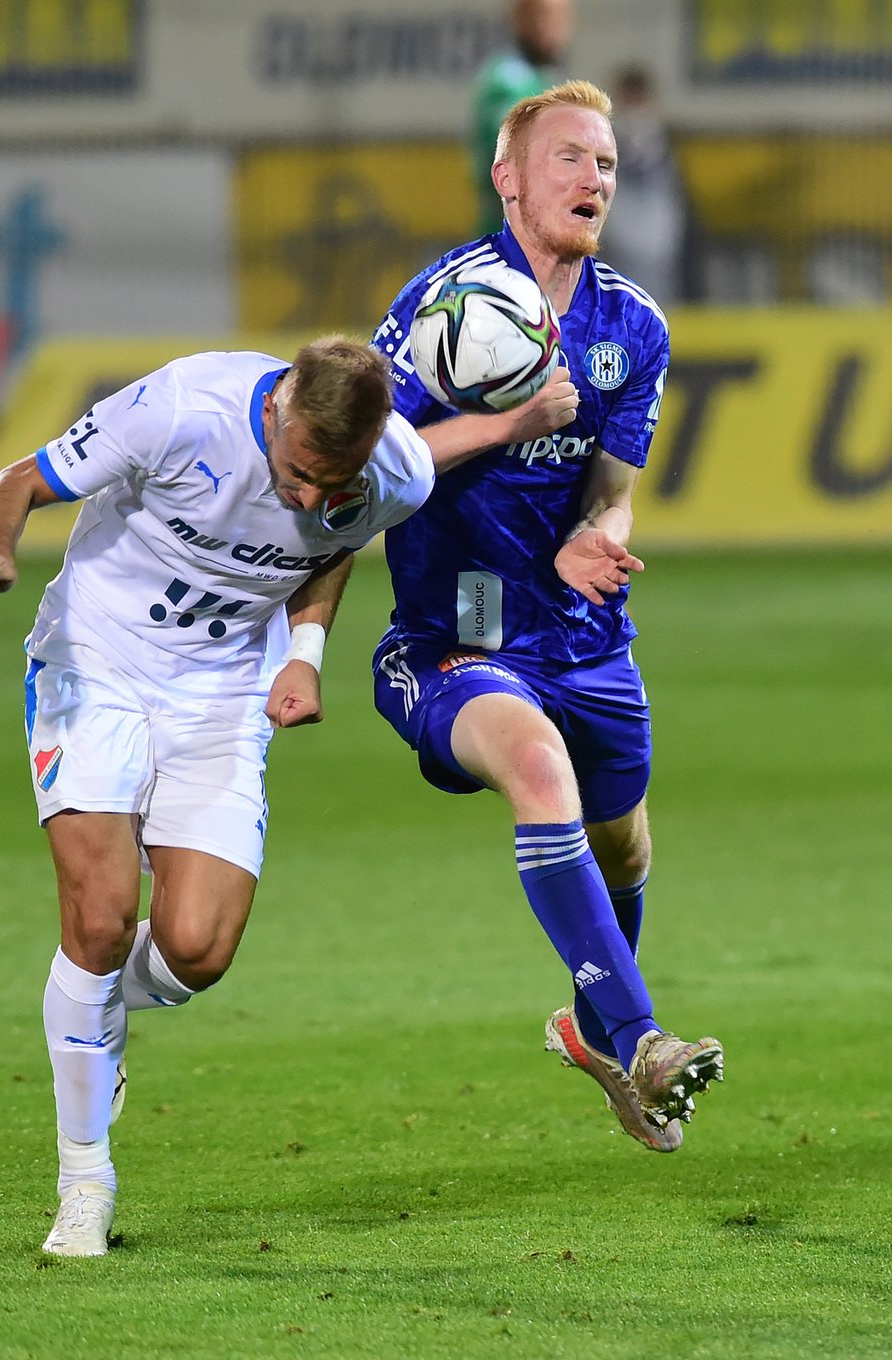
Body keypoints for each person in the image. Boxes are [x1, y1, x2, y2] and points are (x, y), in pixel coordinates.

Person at [0, 336, 563, 1257]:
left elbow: (337, 540)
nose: (315, 497)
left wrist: (303, 655)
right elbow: (19, 480)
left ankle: (91, 1013)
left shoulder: (384, 471)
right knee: (102, 915)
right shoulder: (182, 407)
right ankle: (86, 1182)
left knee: (197, 949)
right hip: (96, 661)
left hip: (223, 694)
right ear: (278, 409)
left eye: (339, 479)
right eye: (303, 473)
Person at [372, 81, 723, 1153]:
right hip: (456, 639)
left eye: (608, 164)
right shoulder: (439, 314)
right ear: (509, 177)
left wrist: (596, 529)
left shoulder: (632, 326)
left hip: (583, 636)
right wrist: (512, 421)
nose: (594, 179)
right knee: (538, 772)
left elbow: (615, 484)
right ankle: (641, 1033)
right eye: (569, 157)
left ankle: (592, 1028)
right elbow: (368, 471)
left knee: (623, 845)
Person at [469, 0, 574, 236]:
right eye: (546, 16)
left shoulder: (540, 80)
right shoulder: (510, 83)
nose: (558, 28)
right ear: (519, 18)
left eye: (564, 17)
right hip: (511, 248)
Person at [601, 66, 688, 304]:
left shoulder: (666, 145)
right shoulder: (602, 144)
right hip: (615, 249)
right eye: (629, 101)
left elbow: (674, 201)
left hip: (658, 251)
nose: (634, 110)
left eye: (639, 101)